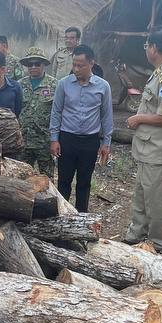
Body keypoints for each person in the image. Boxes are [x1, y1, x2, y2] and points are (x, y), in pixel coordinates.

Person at [122, 27, 162, 256]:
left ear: (154, 48)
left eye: (147, 45)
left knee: (157, 200)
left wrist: (138, 118)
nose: (146, 49)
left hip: (159, 150)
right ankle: (136, 235)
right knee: (142, 194)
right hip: (150, 148)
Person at [50, 44, 112, 212]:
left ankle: (81, 218)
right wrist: (54, 139)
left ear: (91, 63)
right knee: (64, 182)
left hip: (90, 142)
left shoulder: (103, 86)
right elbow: (56, 112)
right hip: (67, 139)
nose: (76, 69)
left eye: (80, 65)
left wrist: (106, 143)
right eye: (74, 64)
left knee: (84, 183)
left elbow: (106, 115)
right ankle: (62, 216)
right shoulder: (63, 84)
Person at [17, 47, 57, 175]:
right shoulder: (19, 85)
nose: (33, 67)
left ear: (43, 64)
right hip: (24, 141)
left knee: (47, 178)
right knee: (22, 177)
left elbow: (58, 112)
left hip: (44, 141)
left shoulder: (54, 85)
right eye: (30, 64)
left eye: (37, 64)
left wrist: (55, 139)